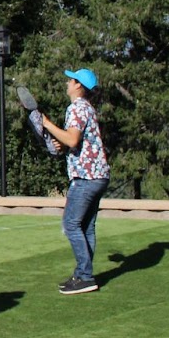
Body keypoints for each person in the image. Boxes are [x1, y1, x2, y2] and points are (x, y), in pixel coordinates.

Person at [41, 68, 110, 295]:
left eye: (70, 80)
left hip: (86, 177)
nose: (67, 83)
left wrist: (47, 124)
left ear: (78, 85)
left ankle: (85, 276)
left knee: (71, 225)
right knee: (86, 227)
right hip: (99, 176)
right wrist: (61, 142)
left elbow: (72, 139)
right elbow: (76, 141)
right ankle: (83, 275)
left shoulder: (76, 108)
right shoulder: (87, 108)